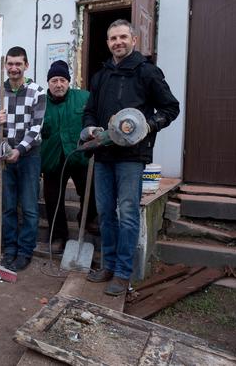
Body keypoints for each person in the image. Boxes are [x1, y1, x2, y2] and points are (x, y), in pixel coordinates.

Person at [83, 19, 179, 296]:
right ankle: (108, 265)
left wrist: (148, 126)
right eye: (113, 38)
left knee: (126, 214)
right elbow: (89, 111)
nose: (118, 42)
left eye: (123, 37)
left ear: (134, 40)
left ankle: (123, 274)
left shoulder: (147, 72)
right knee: (104, 214)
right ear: (108, 43)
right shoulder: (101, 76)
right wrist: (89, 128)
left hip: (131, 157)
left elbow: (171, 107)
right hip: (103, 154)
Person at [0, 46, 46, 272]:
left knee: (29, 207)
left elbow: (37, 128)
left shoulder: (37, 92)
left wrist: (19, 150)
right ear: (5, 66)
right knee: (8, 206)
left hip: (29, 156)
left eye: (18, 64)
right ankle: (9, 249)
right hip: (5, 157)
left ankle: (24, 251)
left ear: (26, 65)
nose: (14, 68)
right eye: (10, 64)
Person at [39, 60, 98, 254]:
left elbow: (95, 118)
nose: (58, 84)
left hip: (79, 156)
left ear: (68, 82)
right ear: (48, 83)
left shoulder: (83, 98)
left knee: (90, 192)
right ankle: (58, 236)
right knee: (53, 199)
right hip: (52, 159)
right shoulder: (40, 103)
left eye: (62, 80)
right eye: (54, 80)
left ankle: (86, 219)